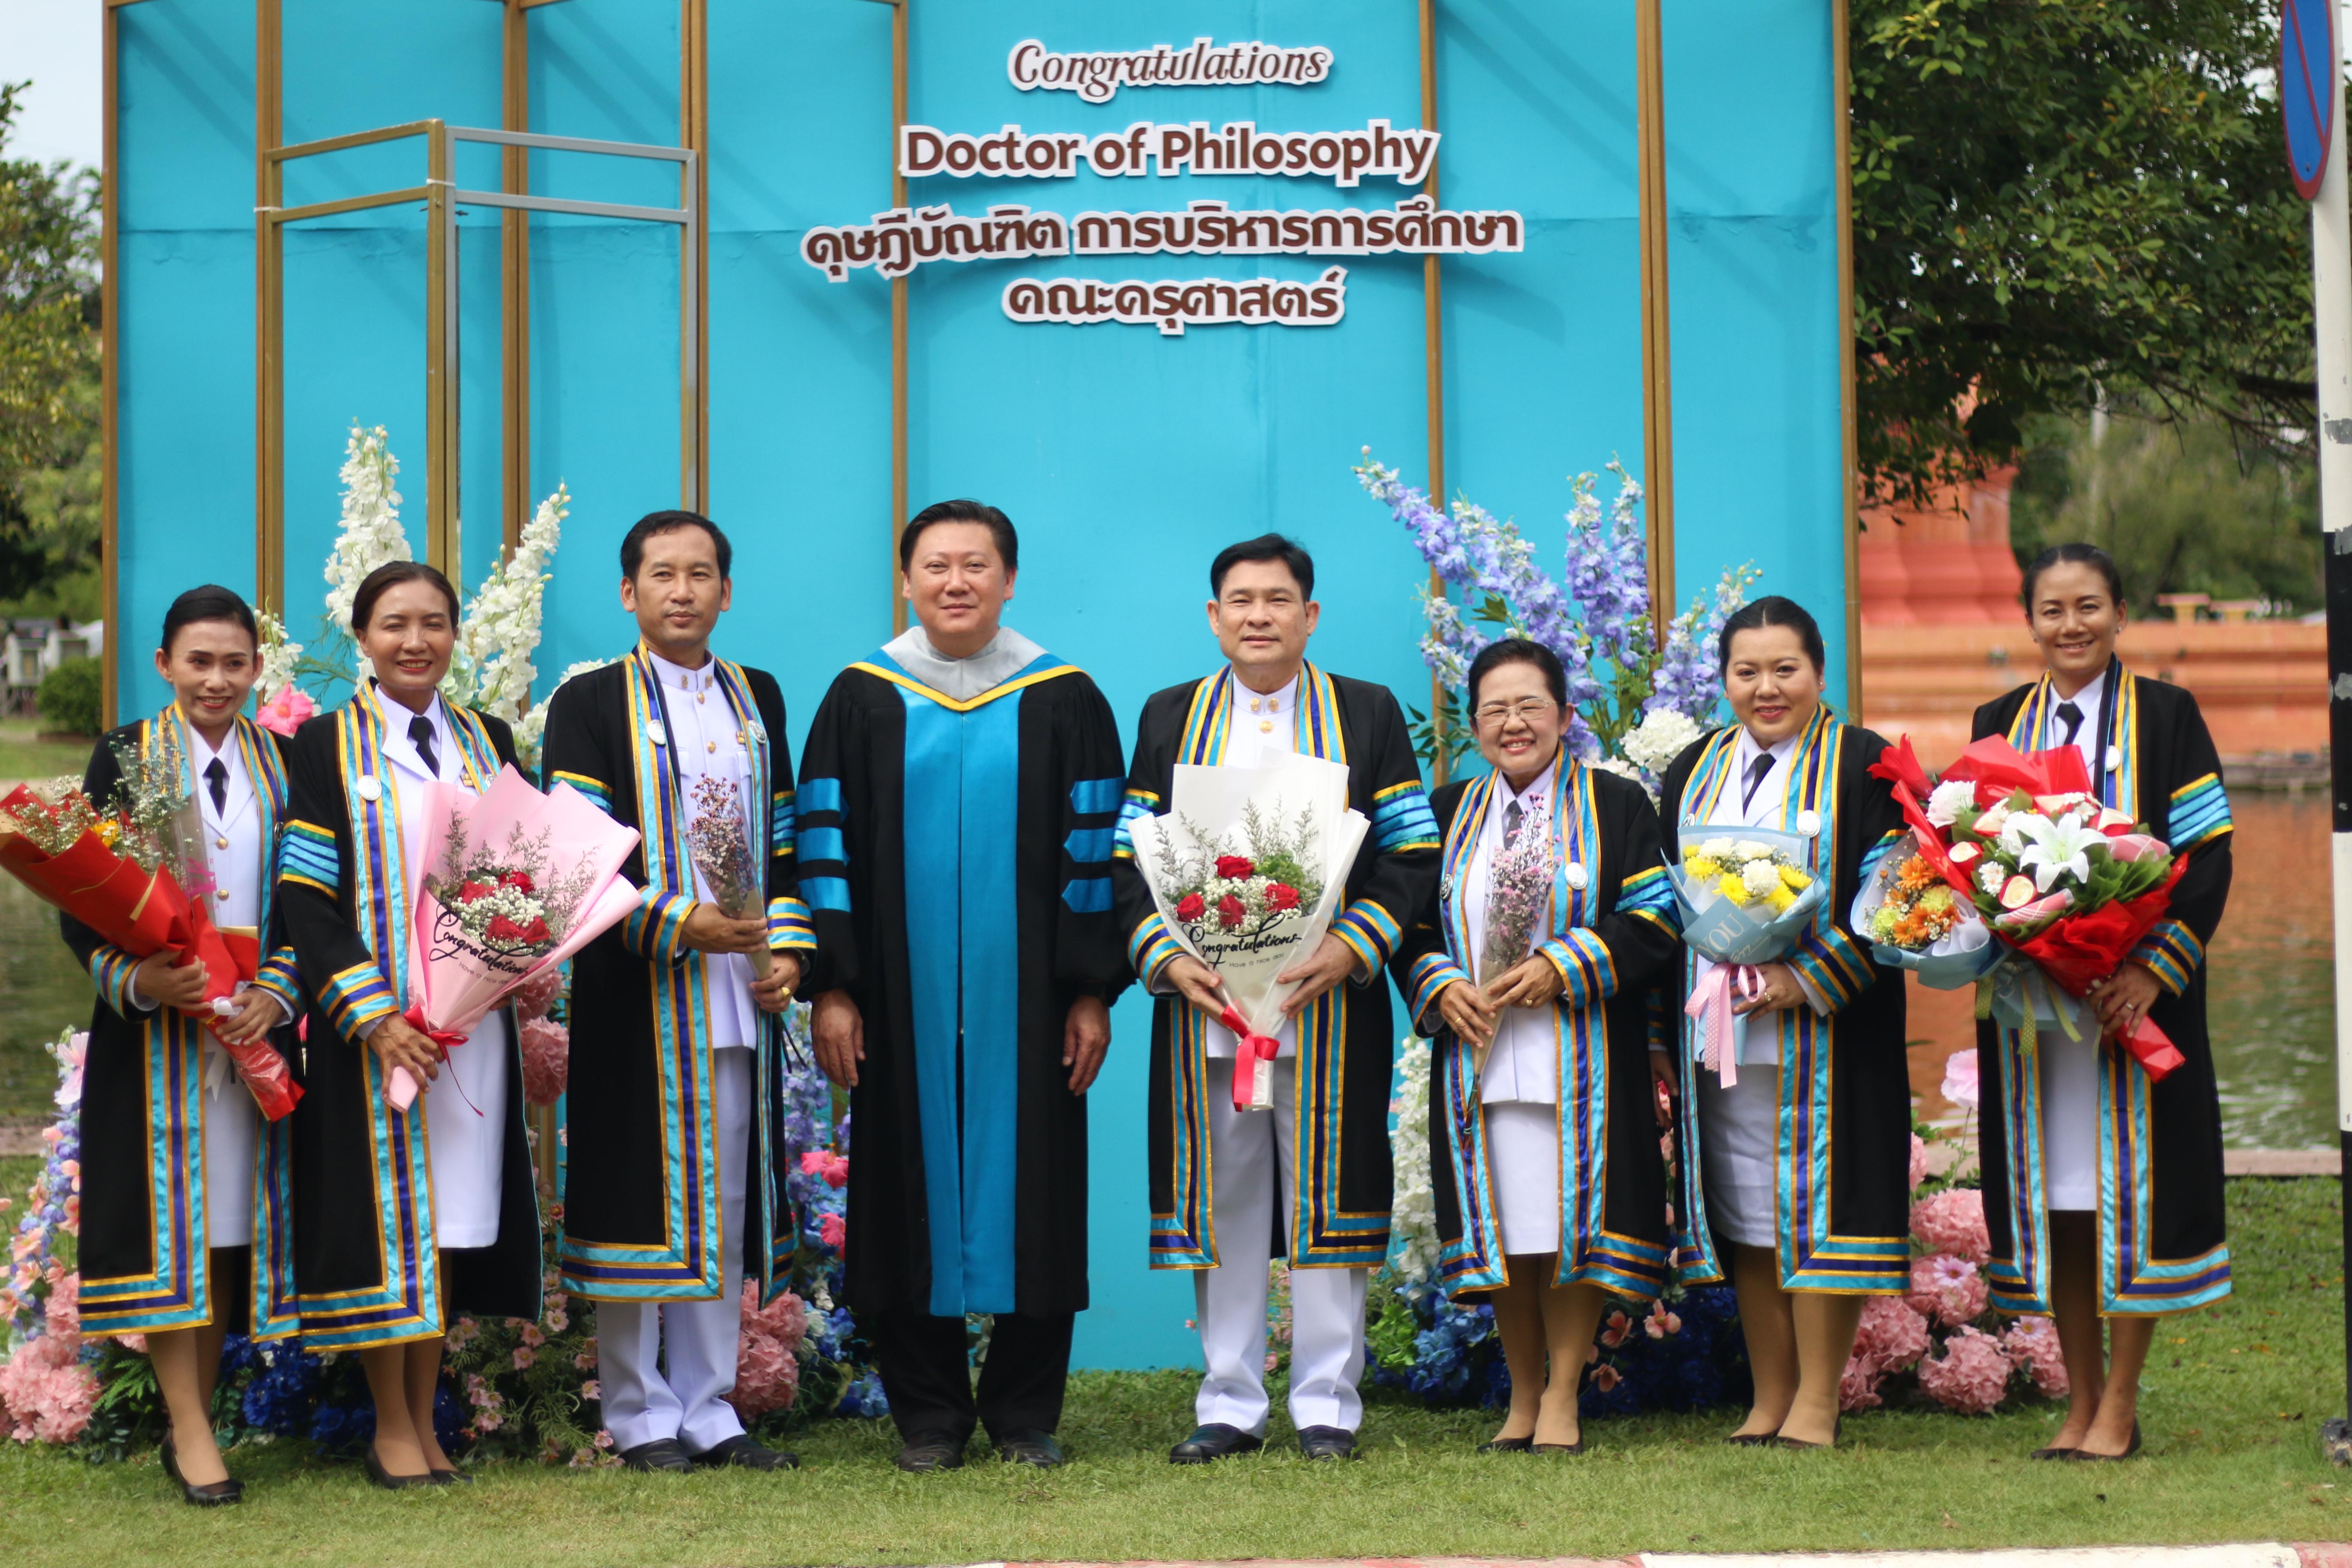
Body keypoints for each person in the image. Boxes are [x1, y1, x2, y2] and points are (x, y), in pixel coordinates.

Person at [796, 499, 1130, 1472]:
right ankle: (930, 1416)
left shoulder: (1065, 696)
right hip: (894, 1001)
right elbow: (824, 851)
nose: (956, 581)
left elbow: (1100, 860)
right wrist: (835, 986)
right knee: (902, 1187)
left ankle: (1025, 1411)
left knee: (1040, 1186)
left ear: (1008, 579)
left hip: (1031, 1003)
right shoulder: (861, 697)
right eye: (936, 565)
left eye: (976, 565)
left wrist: (1091, 990)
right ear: (907, 580)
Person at [1111, 534, 1440, 1464]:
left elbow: (1411, 852)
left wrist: (1353, 944)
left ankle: (1327, 1403)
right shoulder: (1171, 715)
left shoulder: (1366, 713)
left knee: (1327, 1202)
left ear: (1310, 615)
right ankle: (1229, 1401)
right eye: (1241, 601)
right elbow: (1130, 858)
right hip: (1207, 1005)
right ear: (1214, 617)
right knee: (1226, 1200)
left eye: (1278, 599)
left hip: (1326, 1003)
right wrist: (1169, 964)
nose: (1259, 616)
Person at [539, 510, 810, 1473]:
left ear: (727, 591)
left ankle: (710, 1404)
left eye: (702, 575)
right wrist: (673, 922)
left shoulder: (759, 697)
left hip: (740, 991)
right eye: (663, 574)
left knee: (725, 1198)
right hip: (637, 991)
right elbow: (574, 853)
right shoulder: (589, 703)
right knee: (635, 1195)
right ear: (629, 592)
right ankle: (638, 1410)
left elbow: (783, 845)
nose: (683, 591)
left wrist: (786, 951)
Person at [276, 561, 540, 1487]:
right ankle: (393, 1426)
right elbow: (305, 899)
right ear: (363, 639)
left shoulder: (490, 739)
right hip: (374, 1036)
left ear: (456, 633)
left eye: (433, 623)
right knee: (389, 1222)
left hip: (470, 1032)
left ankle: (425, 1421)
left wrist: (513, 968)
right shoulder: (321, 748)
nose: (415, 641)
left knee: (450, 1225)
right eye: (394, 625)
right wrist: (374, 1015)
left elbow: (526, 873)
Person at [1970, 543, 2233, 1461]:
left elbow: (2206, 858)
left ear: (2120, 614)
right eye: (2052, 609)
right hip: (2038, 1014)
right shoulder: (1999, 721)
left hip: (2131, 1007)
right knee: (2064, 1200)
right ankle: (2078, 1401)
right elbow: (1972, 861)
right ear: (2030, 620)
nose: (2071, 625)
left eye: (2089, 606)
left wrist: (2150, 970)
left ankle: (2120, 1404)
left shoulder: (2167, 716)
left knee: (2136, 1198)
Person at [1388, 638, 1680, 1455]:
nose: (1513, 723)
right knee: (1509, 1229)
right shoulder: (1446, 814)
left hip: (1581, 1053)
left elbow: (1656, 921)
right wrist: (1439, 982)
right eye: (1494, 710)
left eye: (1530, 706)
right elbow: (1404, 925)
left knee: (1567, 1226)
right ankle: (1520, 1396)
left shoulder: (1616, 805)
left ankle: (1563, 1397)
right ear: (1473, 723)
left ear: (1565, 715)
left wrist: (1564, 964)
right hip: (1479, 1056)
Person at [63, 586, 305, 1505]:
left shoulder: (285, 764)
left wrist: (278, 994)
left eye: (235, 663)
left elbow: (311, 897)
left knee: (228, 1228)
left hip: (256, 1033)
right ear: (164, 664)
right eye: (198, 661)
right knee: (175, 1231)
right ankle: (192, 1429)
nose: (217, 679)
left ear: (256, 669)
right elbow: (80, 902)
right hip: (160, 1035)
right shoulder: (125, 757)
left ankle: (195, 1414)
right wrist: (140, 981)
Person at [1655, 595, 1910, 1450]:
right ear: (1723, 680)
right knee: (1746, 1211)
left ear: (1820, 673)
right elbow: (1666, 903)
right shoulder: (1692, 770)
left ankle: (1817, 1403)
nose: (1767, 688)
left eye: (1784, 669)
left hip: (1825, 1036)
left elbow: (1899, 900)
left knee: (1820, 1209)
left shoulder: (1864, 765)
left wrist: (1805, 979)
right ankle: (1769, 1394)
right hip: (1720, 1033)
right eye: (1746, 672)